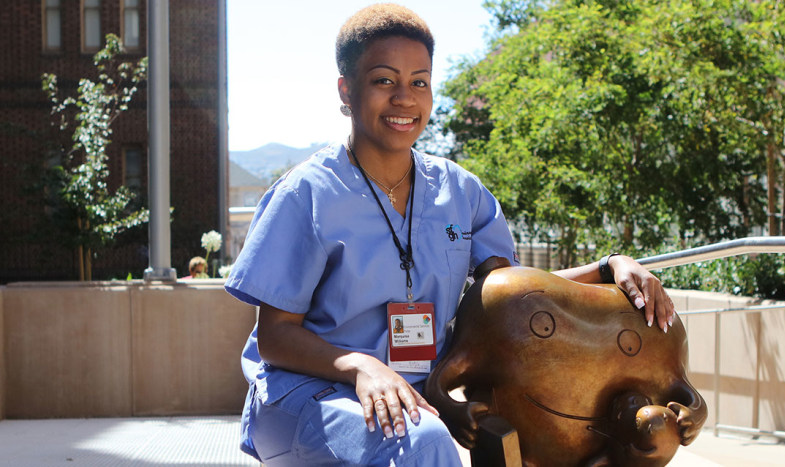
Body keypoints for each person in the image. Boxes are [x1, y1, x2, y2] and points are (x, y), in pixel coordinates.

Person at [224, 4, 675, 465]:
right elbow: (276, 337)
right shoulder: (306, 193)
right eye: (384, 80)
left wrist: (609, 267)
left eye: (419, 82)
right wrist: (361, 365)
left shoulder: (460, 193)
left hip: (412, 402)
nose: (405, 98)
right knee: (421, 442)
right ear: (346, 90)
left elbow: (512, 297)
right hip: (308, 395)